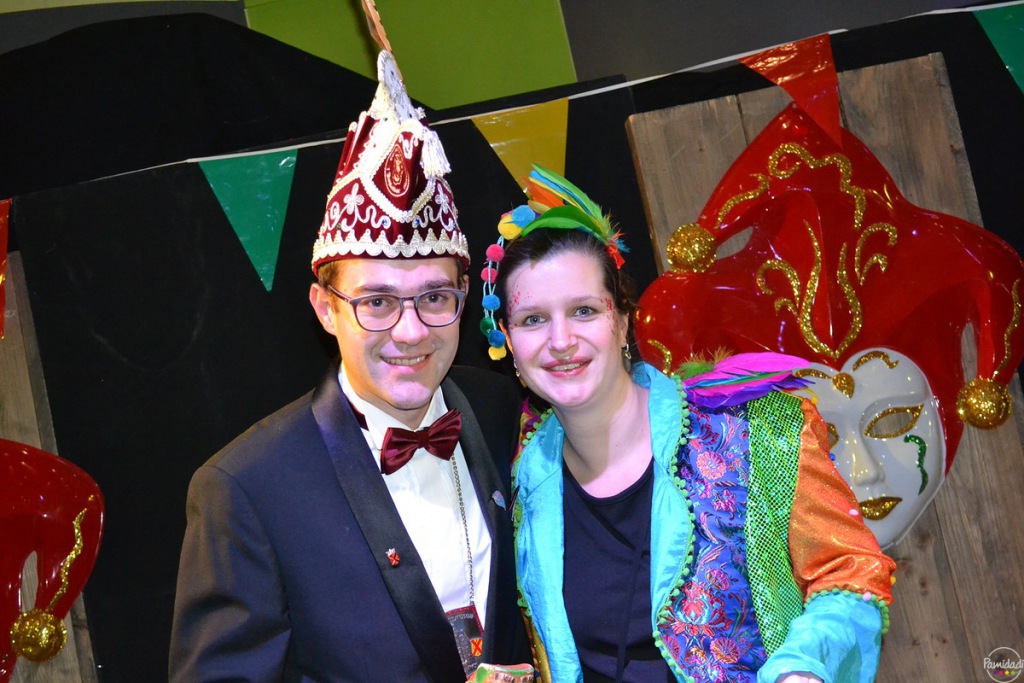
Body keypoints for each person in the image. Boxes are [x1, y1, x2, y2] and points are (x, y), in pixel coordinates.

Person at [169, 49, 531, 682]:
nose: (410, 332)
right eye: (377, 303)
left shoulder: (506, 413)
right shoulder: (246, 488)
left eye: (434, 298)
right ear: (325, 308)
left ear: (464, 296)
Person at [479, 166, 897, 683]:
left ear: (622, 321)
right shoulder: (518, 480)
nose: (561, 341)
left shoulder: (756, 431)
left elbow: (850, 571)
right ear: (509, 342)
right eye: (533, 319)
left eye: (584, 311)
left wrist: (802, 667)